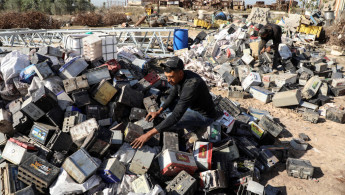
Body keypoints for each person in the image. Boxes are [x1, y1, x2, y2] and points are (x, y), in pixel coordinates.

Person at [131, 56, 218, 149]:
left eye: (171, 77)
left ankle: (197, 128)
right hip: (190, 104)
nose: (168, 80)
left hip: (204, 115)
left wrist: (148, 134)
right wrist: (158, 111)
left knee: (170, 120)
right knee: (163, 103)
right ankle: (175, 120)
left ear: (180, 73)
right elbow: (172, 94)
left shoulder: (191, 86)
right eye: (167, 77)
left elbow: (176, 116)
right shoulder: (181, 76)